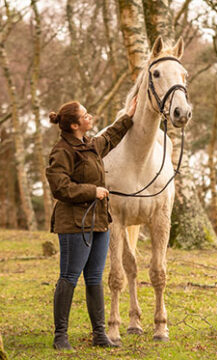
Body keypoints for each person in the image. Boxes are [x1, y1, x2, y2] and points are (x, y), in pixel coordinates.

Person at [46, 99, 136, 350]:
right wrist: (92, 191)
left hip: (99, 222)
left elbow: (110, 137)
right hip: (74, 224)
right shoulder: (61, 151)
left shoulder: (90, 145)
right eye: (86, 115)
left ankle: (99, 335)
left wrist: (128, 116)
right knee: (69, 277)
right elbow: (59, 187)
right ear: (75, 125)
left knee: (95, 278)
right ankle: (60, 336)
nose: (91, 117)